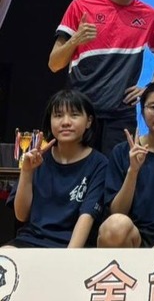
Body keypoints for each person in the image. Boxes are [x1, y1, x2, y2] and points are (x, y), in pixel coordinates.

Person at [48, 0, 154, 154]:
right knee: (77, 169)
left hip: (121, 113)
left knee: (117, 170)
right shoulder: (81, 6)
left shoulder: (149, 15)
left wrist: (149, 87)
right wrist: (75, 40)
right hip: (81, 110)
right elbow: (54, 64)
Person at [4, 90, 107, 248]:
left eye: (74, 115)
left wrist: (67, 259)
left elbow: (87, 216)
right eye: (58, 115)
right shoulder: (38, 158)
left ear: (89, 121)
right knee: (5, 255)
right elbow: (21, 215)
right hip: (30, 241)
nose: (65, 122)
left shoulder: (99, 164)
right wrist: (26, 171)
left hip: (71, 246)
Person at [97, 81, 154, 248]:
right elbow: (117, 212)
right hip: (132, 238)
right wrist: (133, 171)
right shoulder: (122, 151)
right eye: (153, 107)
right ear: (142, 110)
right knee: (114, 226)